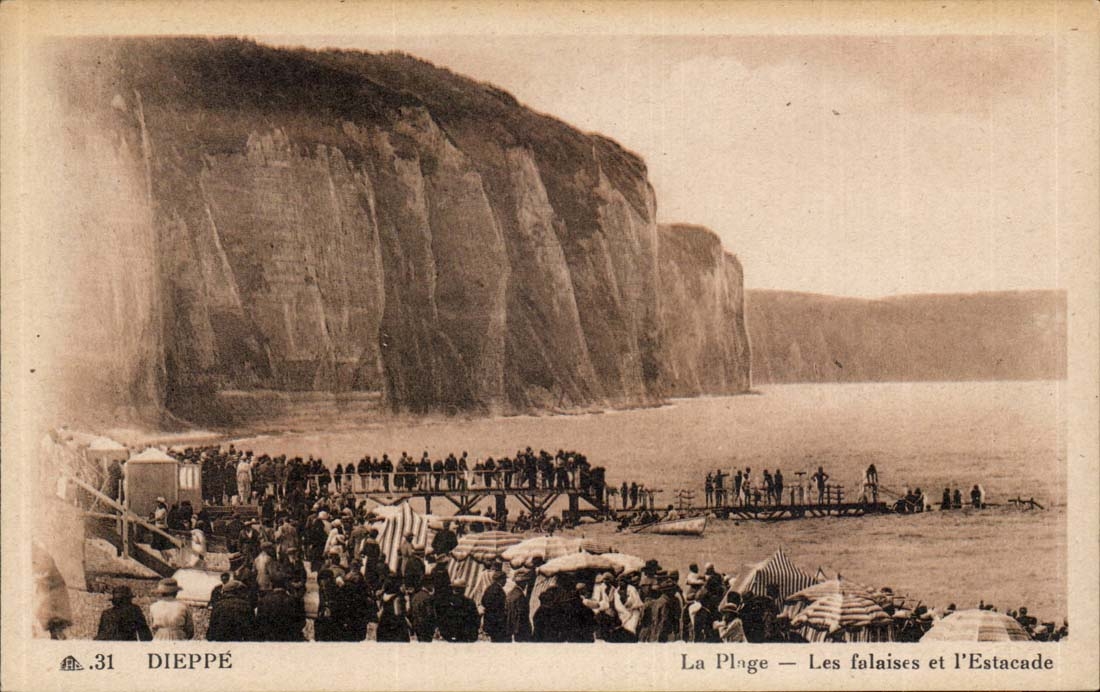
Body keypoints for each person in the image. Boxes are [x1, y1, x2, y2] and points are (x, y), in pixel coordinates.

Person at [255, 576, 305, 641]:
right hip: (288, 639)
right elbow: (301, 622)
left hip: (270, 639)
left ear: (272, 585)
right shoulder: (294, 601)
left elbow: (259, 622)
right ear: (286, 585)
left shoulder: (263, 601)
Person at [376, 578, 410, 642]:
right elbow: (399, 613)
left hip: (384, 624)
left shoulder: (383, 597)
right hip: (397, 627)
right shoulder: (398, 598)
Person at [505, 568, 535, 641]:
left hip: (513, 627)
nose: (526, 584)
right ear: (523, 583)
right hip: (521, 629)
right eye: (525, 582)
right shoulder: (520, 596)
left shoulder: (511, 593)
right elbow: (520, 615)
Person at [481, 570, 509, 642]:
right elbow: (498, 606)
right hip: (497, 622)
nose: (506, 582)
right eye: (505, 579)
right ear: (501, 579)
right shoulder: (498, 590)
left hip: (489, 620)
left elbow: (483, 601)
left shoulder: (489, 588)